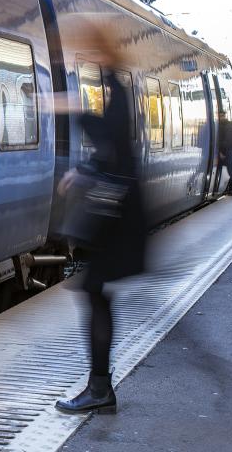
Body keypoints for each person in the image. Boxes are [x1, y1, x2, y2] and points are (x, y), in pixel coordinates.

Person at [55, 25, 147, 415]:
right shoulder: (117, 85)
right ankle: (99, 386)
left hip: (115, 217)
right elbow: (112, 148)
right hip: (117, 214)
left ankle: (99, 389)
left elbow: (114, 144)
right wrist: (85, 168)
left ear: (100, 50)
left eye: (86, 48)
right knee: (94, 293)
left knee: (94, 293)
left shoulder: (119, 89)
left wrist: (72, 110)